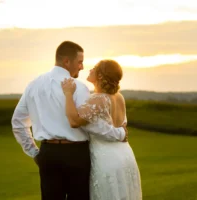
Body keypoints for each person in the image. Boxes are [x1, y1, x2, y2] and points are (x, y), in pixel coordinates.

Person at [11, 41, 127, 200]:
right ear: (67, 61)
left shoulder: (33, 85)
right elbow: (93, 126)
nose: (82, 67)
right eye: (79, 62)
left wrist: (35, 153)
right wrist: (119, 133)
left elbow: (18, 122)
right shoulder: (79, 88)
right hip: (77, 154)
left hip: (48, 154)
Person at [61, 59, 142, 200]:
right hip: (125, 154)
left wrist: (68, 94)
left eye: (94, 68)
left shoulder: (98, 99)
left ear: (100, 76)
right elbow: (118, 127)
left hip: (106, 159)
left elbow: (74, 121)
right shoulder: (119, 97)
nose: (90, 69)